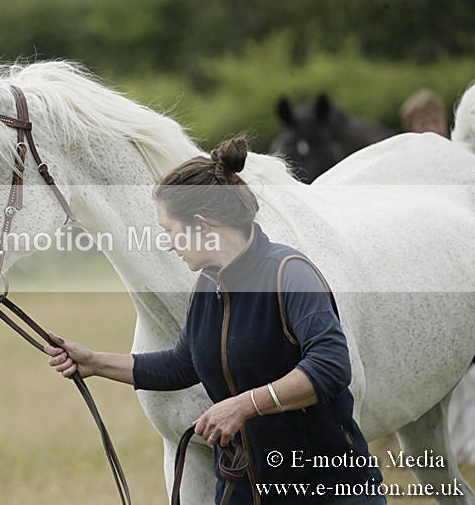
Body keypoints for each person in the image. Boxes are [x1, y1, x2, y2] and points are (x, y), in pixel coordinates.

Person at [45, 137, 384, 504]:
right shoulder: (208, 285)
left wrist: (243, 405)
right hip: (242, 492)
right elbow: (182, 364)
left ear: (202, 225)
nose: (168, 244)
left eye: (170, 231)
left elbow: (331, 367)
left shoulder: (290, 274)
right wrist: (94, 362)